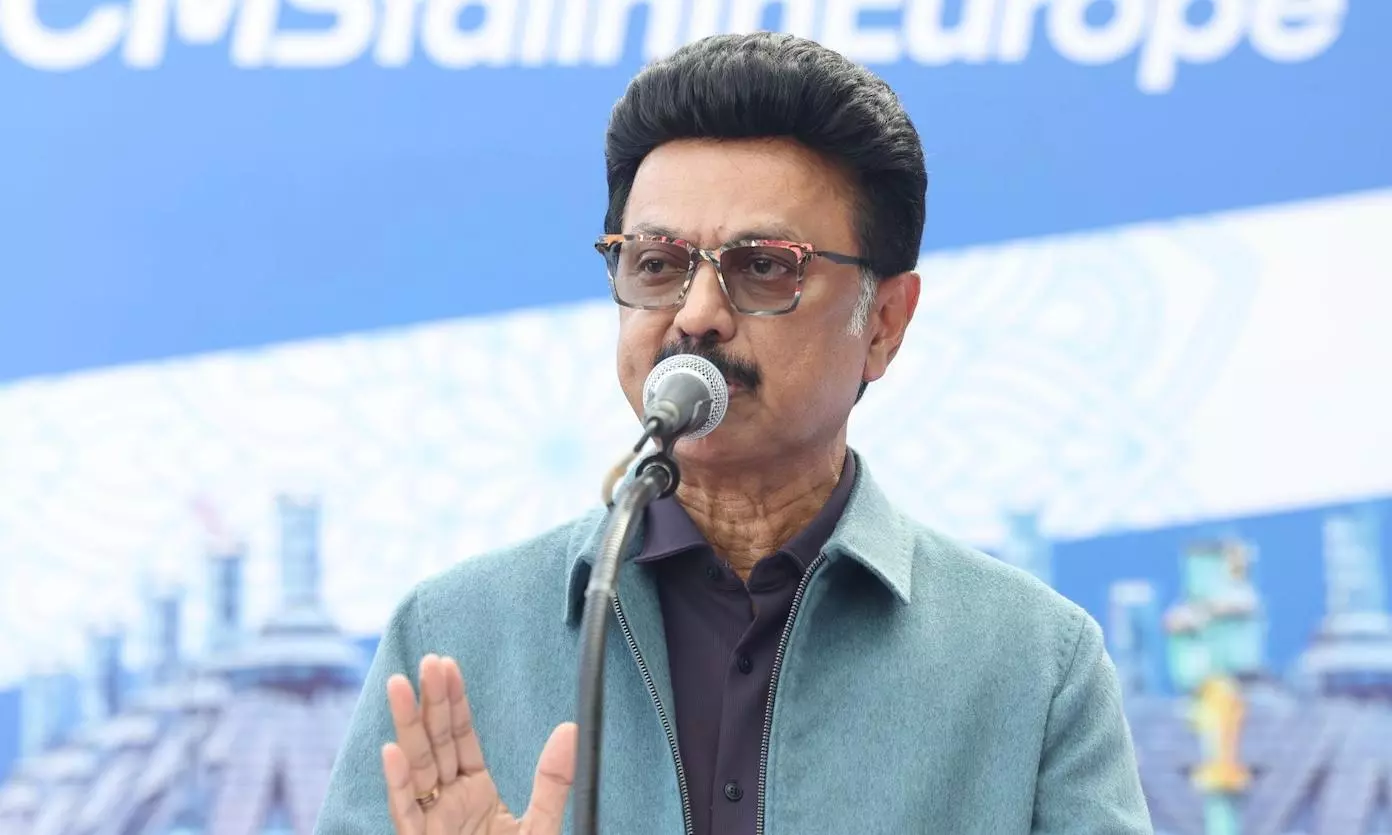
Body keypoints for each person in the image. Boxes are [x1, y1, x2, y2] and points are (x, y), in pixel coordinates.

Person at [314, 31, 1152, 835]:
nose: (697, 316)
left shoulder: (1036, 663)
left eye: (764, 267)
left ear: (885, 323)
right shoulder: (450, 637)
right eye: (656, 264)